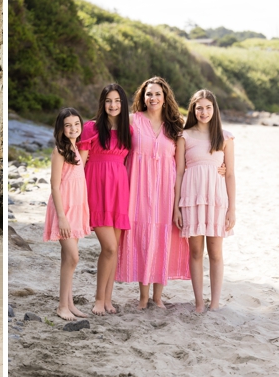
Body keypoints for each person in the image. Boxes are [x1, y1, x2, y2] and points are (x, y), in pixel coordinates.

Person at [118, 77, 189, 309]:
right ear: (143, 97)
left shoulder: (176, 125)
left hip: (166, 191)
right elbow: (107, 137)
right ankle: (142, 297)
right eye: (149, 94)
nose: (153, 98)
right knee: (142, 237)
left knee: (162, 238)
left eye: (158, 94)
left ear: (165, 97)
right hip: (138, 189)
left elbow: (183, 164)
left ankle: (158, 298)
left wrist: (222, 164)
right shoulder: (132, 121)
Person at [175, 89, 237, 313]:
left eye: (208, 107)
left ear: (214, 109)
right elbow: (179, 173)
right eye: (199, 107)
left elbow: (229, 174)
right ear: (193, 109)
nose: (204, 112)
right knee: (195, 251)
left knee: (216, 252)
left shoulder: (224, 136)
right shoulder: (185, 136)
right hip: (191, 199)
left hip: (216, 199)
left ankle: (215, 303)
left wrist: (232, 209)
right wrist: (177, 208)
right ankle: (199, 302)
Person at [79, 84, 132, 315]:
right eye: (109, 100)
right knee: (109, 247)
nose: (113, 105)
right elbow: (79, 162)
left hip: (120, 191)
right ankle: (98, 300)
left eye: (118, 101)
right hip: (97, 190)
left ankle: (108, 300)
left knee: (115, 249)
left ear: (123, 104)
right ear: (103, 103)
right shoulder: (90, 128)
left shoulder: (127, 131)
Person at [44, 108, 91, 321]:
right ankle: (62, 305)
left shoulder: (76, 149)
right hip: (63, 210)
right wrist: (61, 216)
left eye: (76, 124)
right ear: (61, 129)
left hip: (76, 208)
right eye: (68, 125)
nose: (73, 128)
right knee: (73, 257)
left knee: (68, 259)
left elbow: (79, 182)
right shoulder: (59, 151)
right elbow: (55, 186)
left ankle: (69, 304)